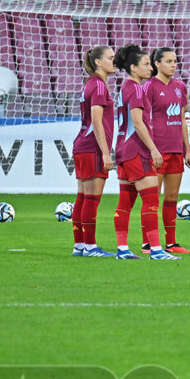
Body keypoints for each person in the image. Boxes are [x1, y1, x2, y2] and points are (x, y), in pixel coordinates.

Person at [112, 44, 180, 260]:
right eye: (145, 64)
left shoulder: (125, 88)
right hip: (136, 151)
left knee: (125, 203)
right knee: (151, 201)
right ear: (133, 67)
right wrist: (153, 149)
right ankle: (157, 250)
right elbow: (138, 123)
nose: (150, 68)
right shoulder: (138, 89)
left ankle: (123, 249)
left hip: (122, 149)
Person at [142, 47, 190, 254]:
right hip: (157, 150)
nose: (173, 65)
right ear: (157, 64)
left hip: (176, 150)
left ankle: (171, 243)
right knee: (152, 198)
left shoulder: (180, 86)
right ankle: (148, 243)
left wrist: (187, 150)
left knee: (172, 197)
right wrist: (150, 149)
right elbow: (143, 120)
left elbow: (181, 120)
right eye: (169, 61)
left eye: (175, 61)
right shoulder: (149, 87)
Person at [72, 46, 117, 258]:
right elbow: (97, 121)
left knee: (82, 197)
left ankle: (80, 245)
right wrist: (106, 153)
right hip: (92, 148)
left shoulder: (90, 84)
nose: (114, 61)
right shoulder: (99, 86)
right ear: (98, 62)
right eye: (110, 58)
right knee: (91, 199)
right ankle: (90, 247)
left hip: (82, 145)